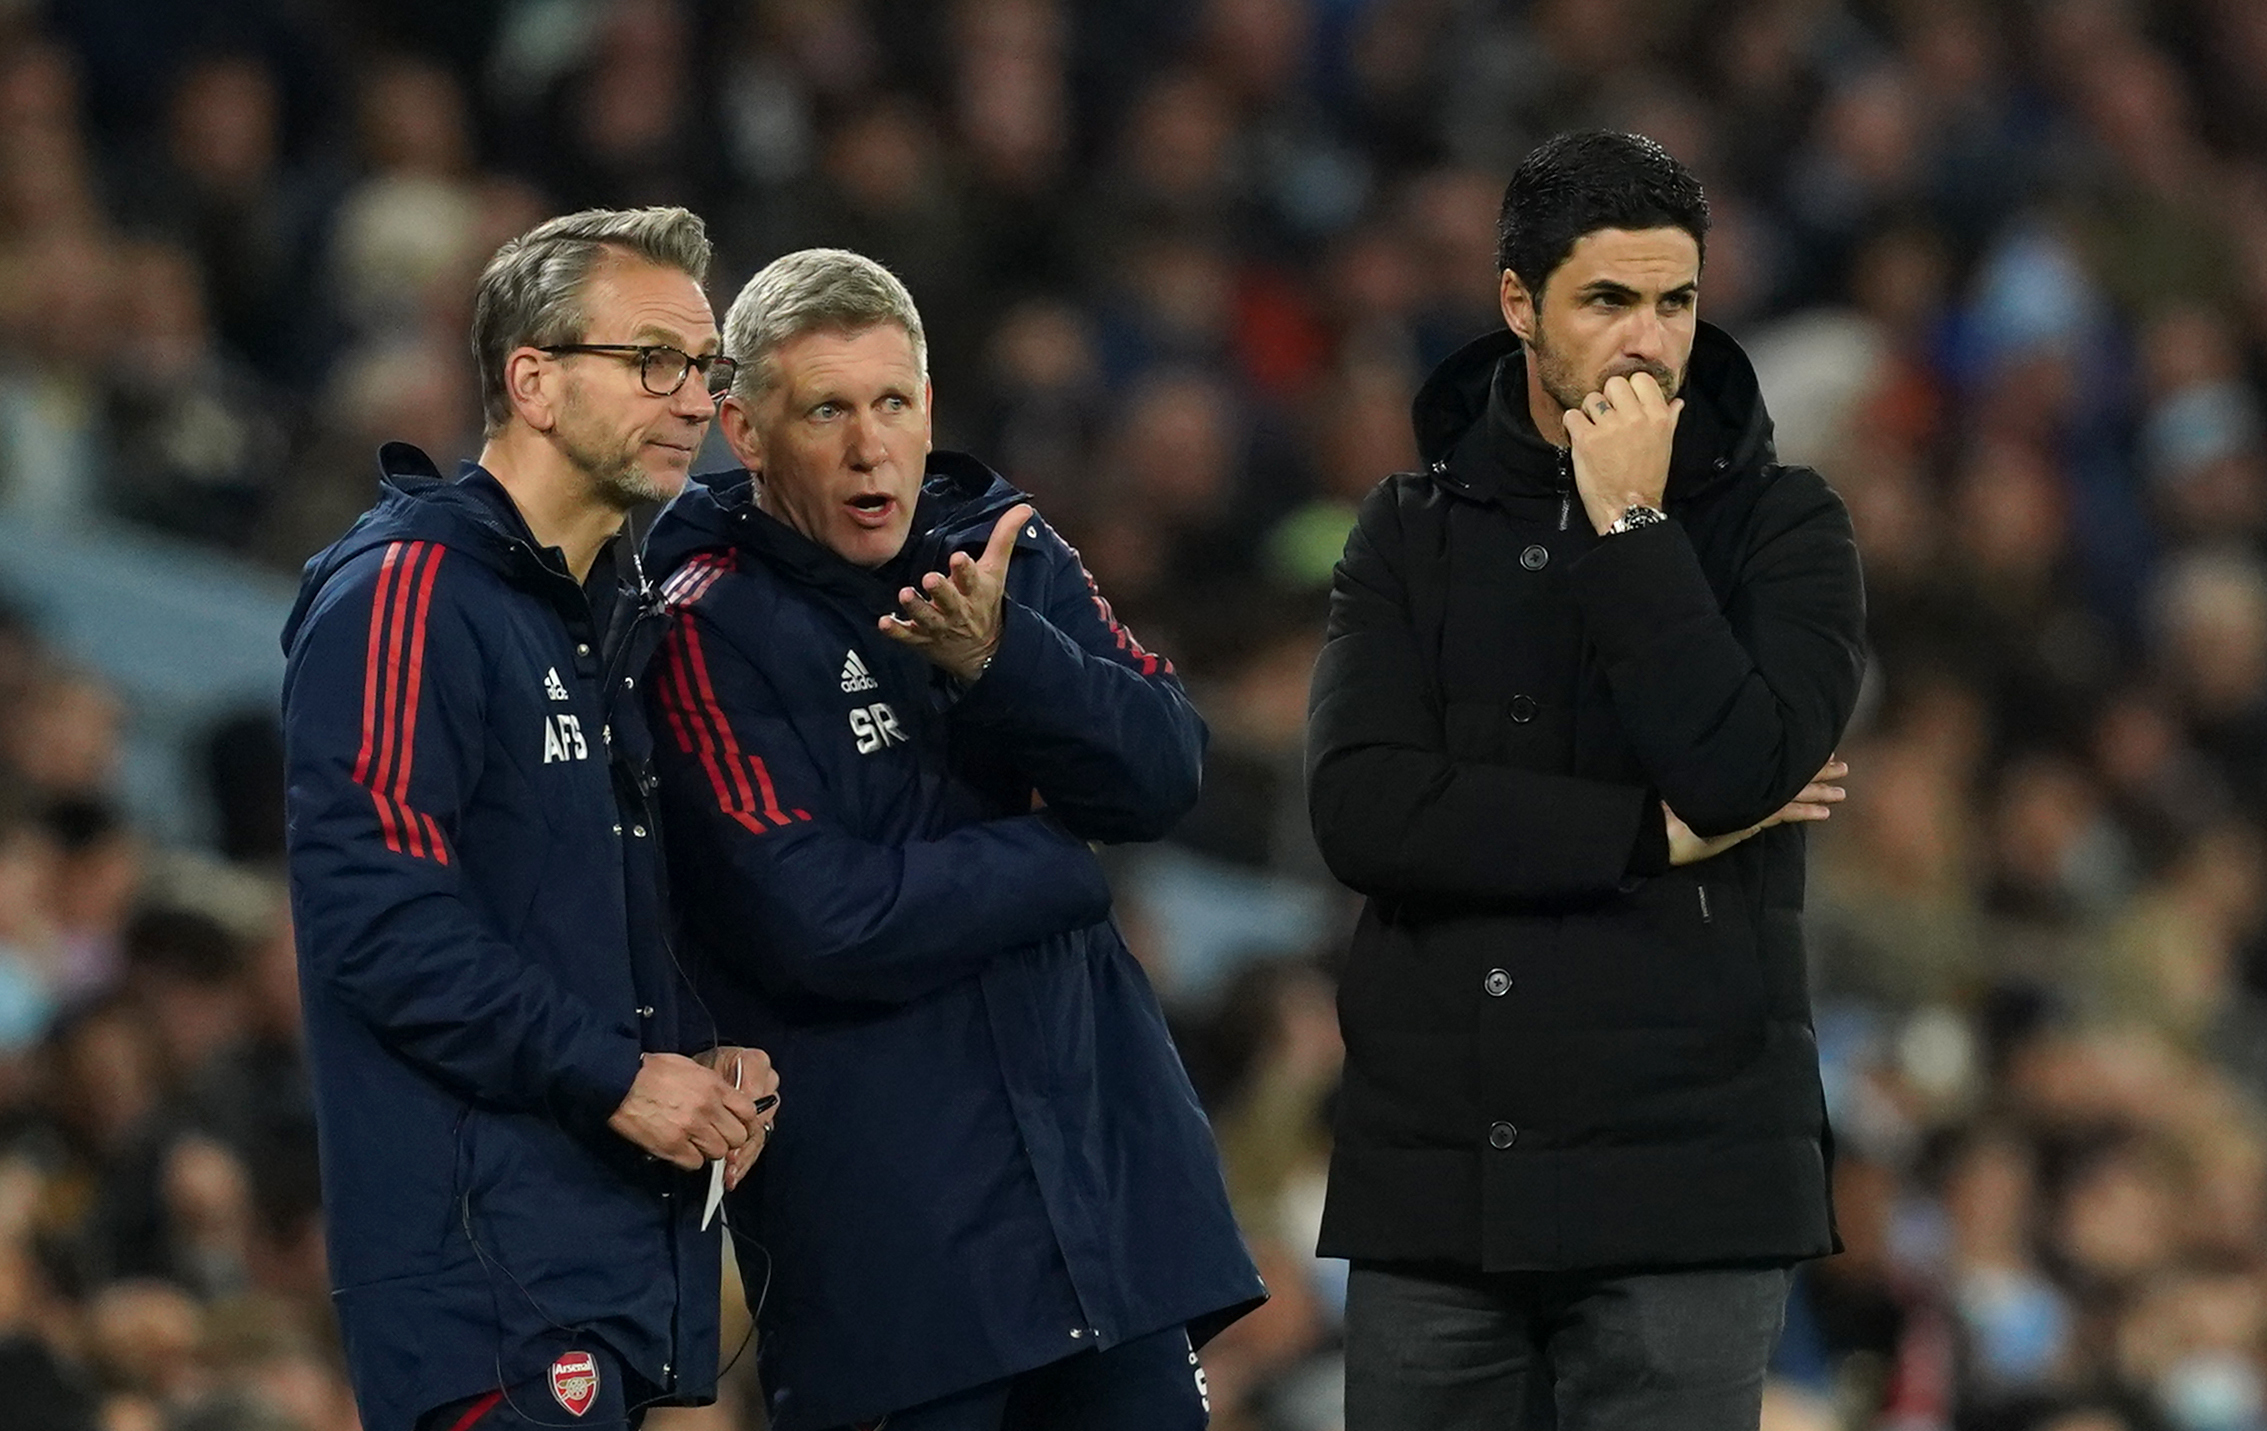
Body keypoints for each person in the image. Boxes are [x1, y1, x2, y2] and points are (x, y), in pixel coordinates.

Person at [641, 247, 1265, 1431]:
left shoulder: (1002, 549)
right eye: (825, 410)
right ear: (743, 428)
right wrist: (1058, 864)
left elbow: (1164, 772)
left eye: (891, 402)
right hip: (901, 1269)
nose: (870, 445)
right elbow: (818, 920)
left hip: (1109, 1211)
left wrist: (998, 661)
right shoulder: (701, 627)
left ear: (928, 407)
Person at [1305, 131, 1867, 1428]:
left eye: (1673, 301)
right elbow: (1361, 809)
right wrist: (1639, 833)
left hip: (1685, 1180)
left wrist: (1629, 526)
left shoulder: (1785, 525)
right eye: (1605, 300)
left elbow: (1734, 765)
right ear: (1517, 304)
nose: (1646, 339)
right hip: (1442, 1176)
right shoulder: (1408, 526)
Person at [280, 206, 779, 1431]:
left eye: (706, 372)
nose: (691, 400)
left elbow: (580, 912)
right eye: (653, 360)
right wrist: (616, 1074)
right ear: (534, 380)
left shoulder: (611, 619)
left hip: (597, 1256)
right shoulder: (406, 588)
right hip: (476, 1275)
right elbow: (380, 924)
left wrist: (700, 1045)